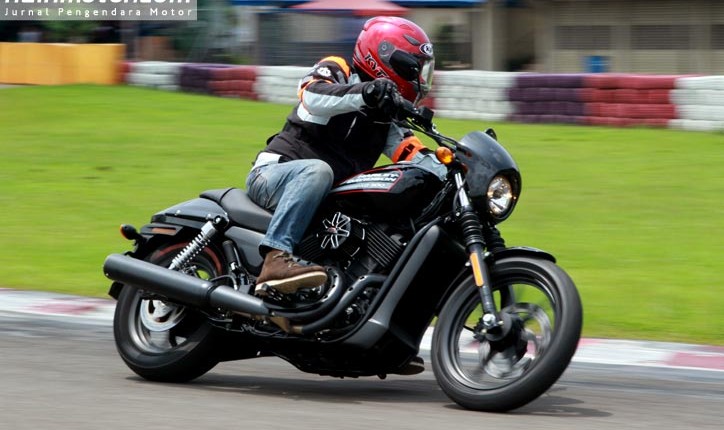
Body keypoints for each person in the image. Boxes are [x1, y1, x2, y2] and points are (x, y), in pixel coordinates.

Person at [246, 16, 440, 296]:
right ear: (388, 58)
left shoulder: (385, 117)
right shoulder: (338, 69)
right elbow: (312, 96)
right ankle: (275, 258)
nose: (420, 78)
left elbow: (413, 153)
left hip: (323, 198)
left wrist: (457, 168)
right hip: (275, 174)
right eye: (416, 69)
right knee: (318, 171)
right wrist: (367, 92)